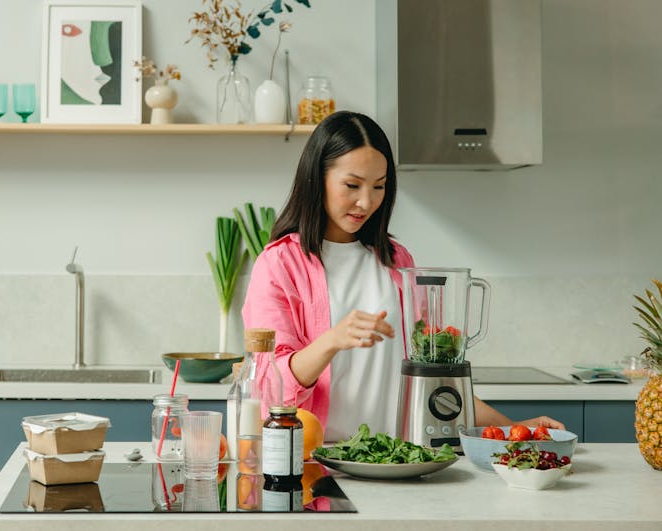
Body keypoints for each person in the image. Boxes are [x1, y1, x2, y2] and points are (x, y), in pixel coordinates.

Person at [241, 111, 564, 441]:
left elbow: (432, 379)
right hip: (317, 465)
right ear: (316, 178)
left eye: (379, 187)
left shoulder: (396, 260)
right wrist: (333, 340)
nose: (366, 202)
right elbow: (268, 385)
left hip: (395, 459)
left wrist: (515, 428)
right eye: (352, 185)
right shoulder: (279, 264)